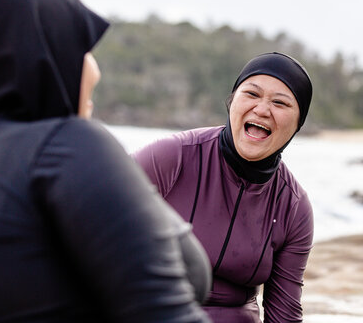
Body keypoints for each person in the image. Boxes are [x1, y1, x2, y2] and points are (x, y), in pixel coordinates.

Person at [0, 0, 211, 322]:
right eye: (82, 47)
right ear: (45, 51)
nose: (94, 65)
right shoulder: (68, 146)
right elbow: (174, 302)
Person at [134, 52, 314, 322]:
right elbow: (90, 227)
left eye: (280, 102)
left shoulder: (294, 207)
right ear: (232, 102)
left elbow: (284, 313)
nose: (263, 109)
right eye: (252, 94)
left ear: (298, 124)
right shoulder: (173, 156)